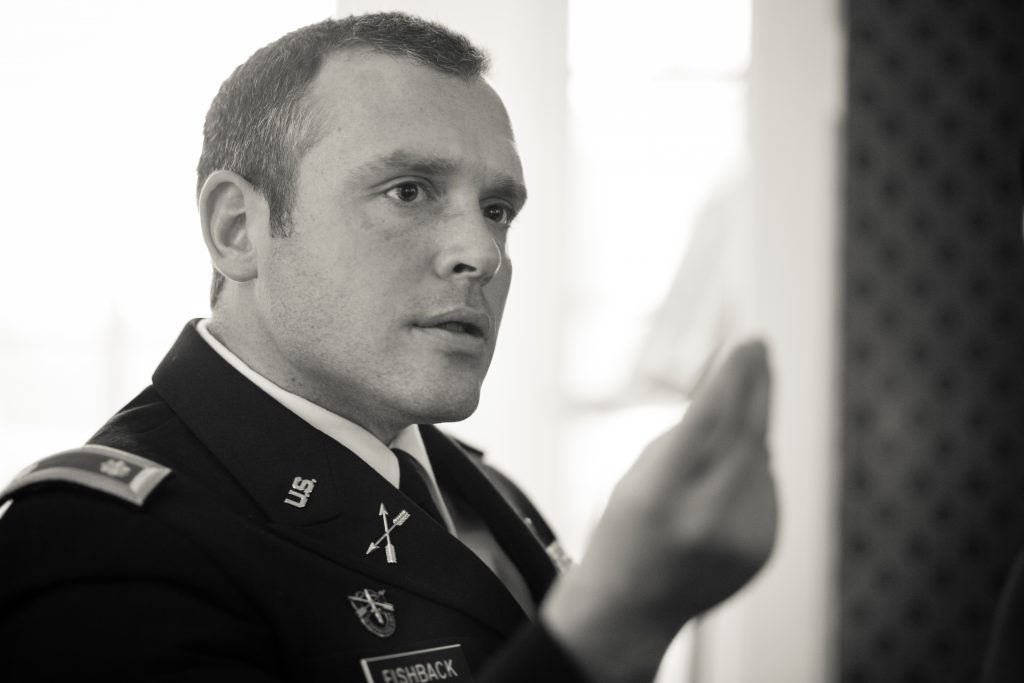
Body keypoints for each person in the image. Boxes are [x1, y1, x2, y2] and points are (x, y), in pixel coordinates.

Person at [0, 12, 777, 682]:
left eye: (499, 208)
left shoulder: (483, 490)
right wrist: (616, 620)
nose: (483, 251)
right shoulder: (100, 544)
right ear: (238, 228)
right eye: (408, 190)